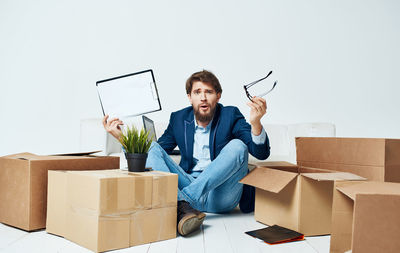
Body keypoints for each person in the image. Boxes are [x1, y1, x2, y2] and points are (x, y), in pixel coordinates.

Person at [103, 70, 270, 236]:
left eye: (209, 92)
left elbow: (260, 153)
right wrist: (122, 138)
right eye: (197, 92)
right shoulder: (178, 118)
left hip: (220, 194)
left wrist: (256, 123)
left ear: (218, 96)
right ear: (190, 97)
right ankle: (183, 205)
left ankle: (181, 203)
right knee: (152, 146)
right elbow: (153, 154)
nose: (203, 97)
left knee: (238, 146)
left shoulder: (230, 114)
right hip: (187, 182)